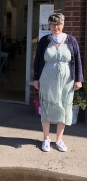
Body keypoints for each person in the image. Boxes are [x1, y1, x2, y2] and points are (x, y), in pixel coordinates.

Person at [33, 13, 83, 152]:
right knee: (47, 106)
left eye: (59, 24)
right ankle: (46, 138)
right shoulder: (44, 41)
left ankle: (59, 139)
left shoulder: (71, 40)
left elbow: (77, 60)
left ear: (63, 24)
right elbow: (37, 61)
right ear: (49, 25)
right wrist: (36, 78)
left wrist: (78, 79)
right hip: (47, 79)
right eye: (53, 24)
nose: (56, 27)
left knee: (64, 107)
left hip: (67, 81)